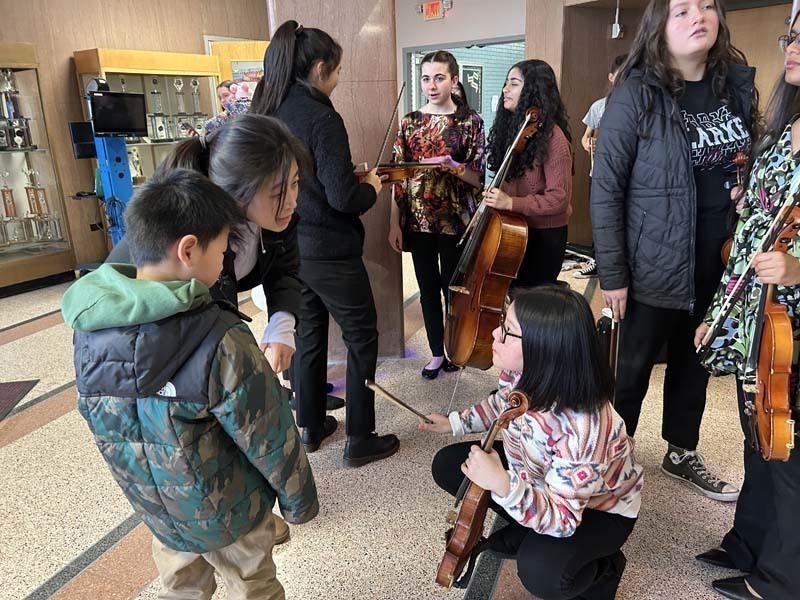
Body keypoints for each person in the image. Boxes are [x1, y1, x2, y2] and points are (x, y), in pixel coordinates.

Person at [62, 169, 318, 600]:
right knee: (252, 587)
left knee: (181, 589)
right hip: (231, 514)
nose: (224, 261)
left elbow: (107, 425)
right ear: (188, 250)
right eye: (222, 251)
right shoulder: (220, 338)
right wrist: (299, 501)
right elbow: (269, 435)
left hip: (161, 514)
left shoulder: (90, 331)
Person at [590, 0, 759, 502]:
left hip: (720, 256)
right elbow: (606, 189)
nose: (697, 16)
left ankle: (681, 451)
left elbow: (746, 157)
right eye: (681, 10)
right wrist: (613, 274)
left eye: (706, 6)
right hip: (651, 260)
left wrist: (746, 187)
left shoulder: (735, 86)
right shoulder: (635, 93)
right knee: (629, 371)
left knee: (695, 362)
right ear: (659, 27)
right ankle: (608, 463)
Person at [421, 286, 643, 599]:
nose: (495, 334)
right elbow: (501, 405)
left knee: (540, 572)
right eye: (503, 323)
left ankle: (605, 569)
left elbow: (564, 519)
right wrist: (454, 423)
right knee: (448, 465)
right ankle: (528, 520)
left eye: (507, 331)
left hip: (597, 509)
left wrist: (502, 484)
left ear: (543, 347)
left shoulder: (585, 426)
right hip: (535, 469)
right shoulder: (520, 372)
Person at [252, 20, 399, 466]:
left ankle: (311, 425)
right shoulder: (322, 116)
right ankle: (361, 437)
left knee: (310, 334)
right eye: (336, 72)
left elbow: (310, 183)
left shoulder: (271, 109)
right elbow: (343, 198)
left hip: (290, 248)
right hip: (331, 250)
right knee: (361, 337)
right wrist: (371, 185)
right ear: (319, 69)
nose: (337, 80)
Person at [693, 17, 800, 600]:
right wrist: (720, 312)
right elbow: (754, 232)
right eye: (792, 36)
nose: (793, 48)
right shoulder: (784, 128)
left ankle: (784, 579)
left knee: (788, 449)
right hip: (756, 314)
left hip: (794, 319)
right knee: (756, 433)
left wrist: (799, 269)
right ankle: (749, 543)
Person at [390, 50, 486, 379]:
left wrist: (454, 166)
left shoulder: (471, 122)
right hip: (418, 221)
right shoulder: (410, 122)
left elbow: (478, 179)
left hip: (457, 221)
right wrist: (394, 223)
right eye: (426, 78)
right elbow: (398, 179)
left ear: (454, 80)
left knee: (454, 291)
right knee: (428, 290)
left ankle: (456, 349)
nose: (432, 85)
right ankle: (435, 352)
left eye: (439, 78)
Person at [483, 59, 573, 288]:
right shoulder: (516, 131)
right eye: (506, 83)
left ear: (534, 91)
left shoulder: (555, 139)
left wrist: (510, 202)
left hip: (544, 235)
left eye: (514, 84)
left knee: (533, 299)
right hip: (514, 228)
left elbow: (559, 198)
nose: (505, 89)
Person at [575, 54, 628, 280]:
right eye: (621, 76)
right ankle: (598, 261)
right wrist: (589, 145)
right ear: (611, 77)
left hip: (625, 176)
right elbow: (584, 137)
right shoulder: (599, 106)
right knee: (600, 219)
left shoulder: (637, 108)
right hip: (598, 173)